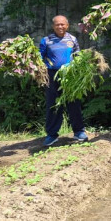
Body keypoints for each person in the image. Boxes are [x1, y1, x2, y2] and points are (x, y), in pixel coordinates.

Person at [40, 15, 88, 147]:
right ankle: (52, 135)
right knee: (54, 105)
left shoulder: (72, 39)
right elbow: (40, 58)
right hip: (52, 75)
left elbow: (78, 56)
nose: (60, 27)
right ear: (53, 26)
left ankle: (79, 132)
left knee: (74, 103)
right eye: (57, 24)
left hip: (70, 75)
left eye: (63, 24)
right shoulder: (46, 40)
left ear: (67, 25)